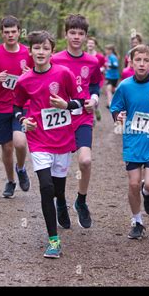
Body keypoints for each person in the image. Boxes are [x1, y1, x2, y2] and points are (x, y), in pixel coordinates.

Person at [14, 30, 84, 258]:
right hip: (39, 140)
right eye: (36, 48)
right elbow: (16, 107)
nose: (41, 52)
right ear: (30, 51)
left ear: (52, 52)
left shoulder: (64, 74)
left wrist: (66, 104)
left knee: (58, 189)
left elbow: (80, 104)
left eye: (45, 48)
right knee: (46, 188)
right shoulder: (24, 80)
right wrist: (23, 120)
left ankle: (62, 202)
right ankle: (53, 240)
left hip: (63, 141)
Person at [110, 44, 149, 239]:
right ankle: (137, 221)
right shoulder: (124, 86)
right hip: (133, 141)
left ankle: (148, 194)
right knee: (133, 184)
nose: (141, 64)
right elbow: (115, 108)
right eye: (138, 60)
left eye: (146, 60)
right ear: (131, 62)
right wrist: (118, 116)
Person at [50, 14, 102, 229]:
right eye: (72, 33)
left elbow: (95, 87)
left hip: (82, 117)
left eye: (81, 33)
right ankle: (60, 202)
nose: (76, 37)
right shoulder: (55, 60)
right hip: (60, 120)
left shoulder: (92, 61)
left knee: (85, 161)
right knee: (57, 168)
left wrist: (95, 100)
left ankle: (81, 201)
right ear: (65, 34)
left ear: (86, 36)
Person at [0, 16, 32, 198]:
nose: (10, 35)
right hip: (0, 107)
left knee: (20, 142)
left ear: (19, 32)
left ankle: (22, 168)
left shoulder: (28, 53)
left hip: (22, 106)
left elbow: (41, 74)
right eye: (6, 32)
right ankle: (10, 181)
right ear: (2, 34)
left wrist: (30, 74)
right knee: (7, 147)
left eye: (13, 31)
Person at [86, 36, 106, 122]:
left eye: (92, 43)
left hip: (98, 80)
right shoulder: (84, 55)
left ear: (95, 45)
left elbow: (105, 65)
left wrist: (101, 69)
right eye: (89, 43)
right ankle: (92, 118)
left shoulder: (100, 57)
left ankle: (96, 110)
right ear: (86, 44)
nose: (90, 44)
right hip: (86, 81)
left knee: (94, 97)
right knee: (88, 98)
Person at [104, 44, 120, 108]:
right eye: (106, 49)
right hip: (109, 76)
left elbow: (116, 65)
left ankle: (112, 103)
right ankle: (109, 104)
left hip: (114, 76)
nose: (106, 51)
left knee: (111, 90)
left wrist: (109, 66)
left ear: (111, 50)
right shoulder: (107, 57)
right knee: (109, 89)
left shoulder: (113, 57)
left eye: (108, 50)